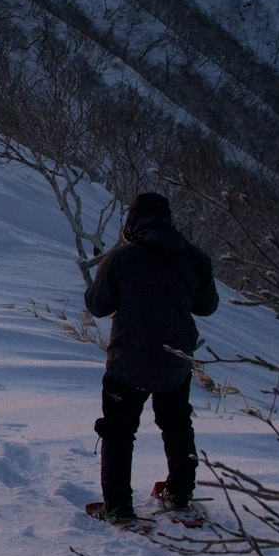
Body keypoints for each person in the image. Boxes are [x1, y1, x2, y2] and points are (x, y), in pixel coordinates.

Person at [83, 190, 217, 526]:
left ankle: (119, 508)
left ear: (131, 223)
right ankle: (180, 493)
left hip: (128, 362)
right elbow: (207, 306)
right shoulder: (193, 257)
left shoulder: (122, 258)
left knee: (118, 432)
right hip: (175, 361)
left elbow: (97, 307)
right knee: (176, 424)